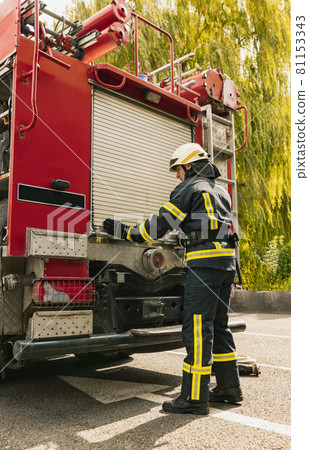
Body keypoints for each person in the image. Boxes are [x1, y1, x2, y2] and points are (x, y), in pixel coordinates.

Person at [103, 142, 243, 415]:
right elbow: (210, 227)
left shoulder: (189, 188)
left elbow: (156, 227)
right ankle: (229, 387)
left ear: (188, 166)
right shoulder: (220, 190)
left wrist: (125, 231)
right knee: (220, 326)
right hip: (226, 265)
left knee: (199, 329)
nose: (176, 175)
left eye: (177, 169)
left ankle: (193, 399)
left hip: (204, 267)